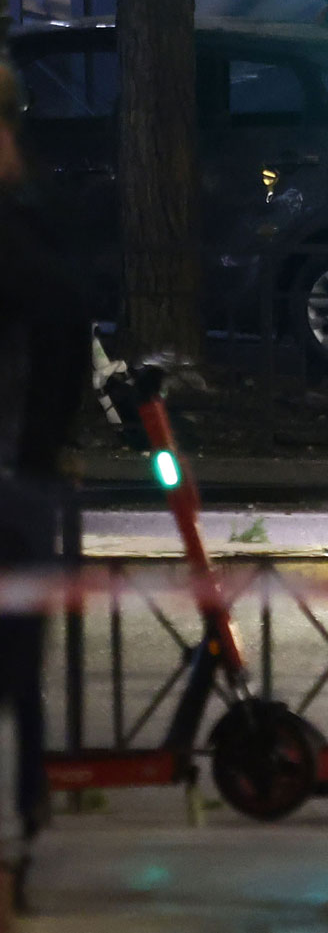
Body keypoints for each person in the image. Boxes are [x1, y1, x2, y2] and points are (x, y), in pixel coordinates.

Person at [0, 58, 92, 931]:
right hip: (21, 475)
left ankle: (15, 846)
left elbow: (59, 334)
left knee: (10, 676)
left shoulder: (25, 226)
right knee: (13, 677)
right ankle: (18, 834)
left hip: (11, 476)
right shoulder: (37, 218)